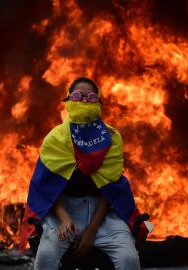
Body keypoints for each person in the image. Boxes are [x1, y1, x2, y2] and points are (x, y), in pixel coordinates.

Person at [19, 77, 149, 270]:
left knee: (129, 259)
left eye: (90, 97)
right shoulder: (54, 139)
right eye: (78, 96)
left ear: (99, 102)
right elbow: (46, 187)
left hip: (103, 215)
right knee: (45, 256)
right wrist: (64, 218)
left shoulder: (112, 138)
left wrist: (91, 230)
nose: (84, 101)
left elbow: (110, 188)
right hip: (63, 211)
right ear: (68, 101)